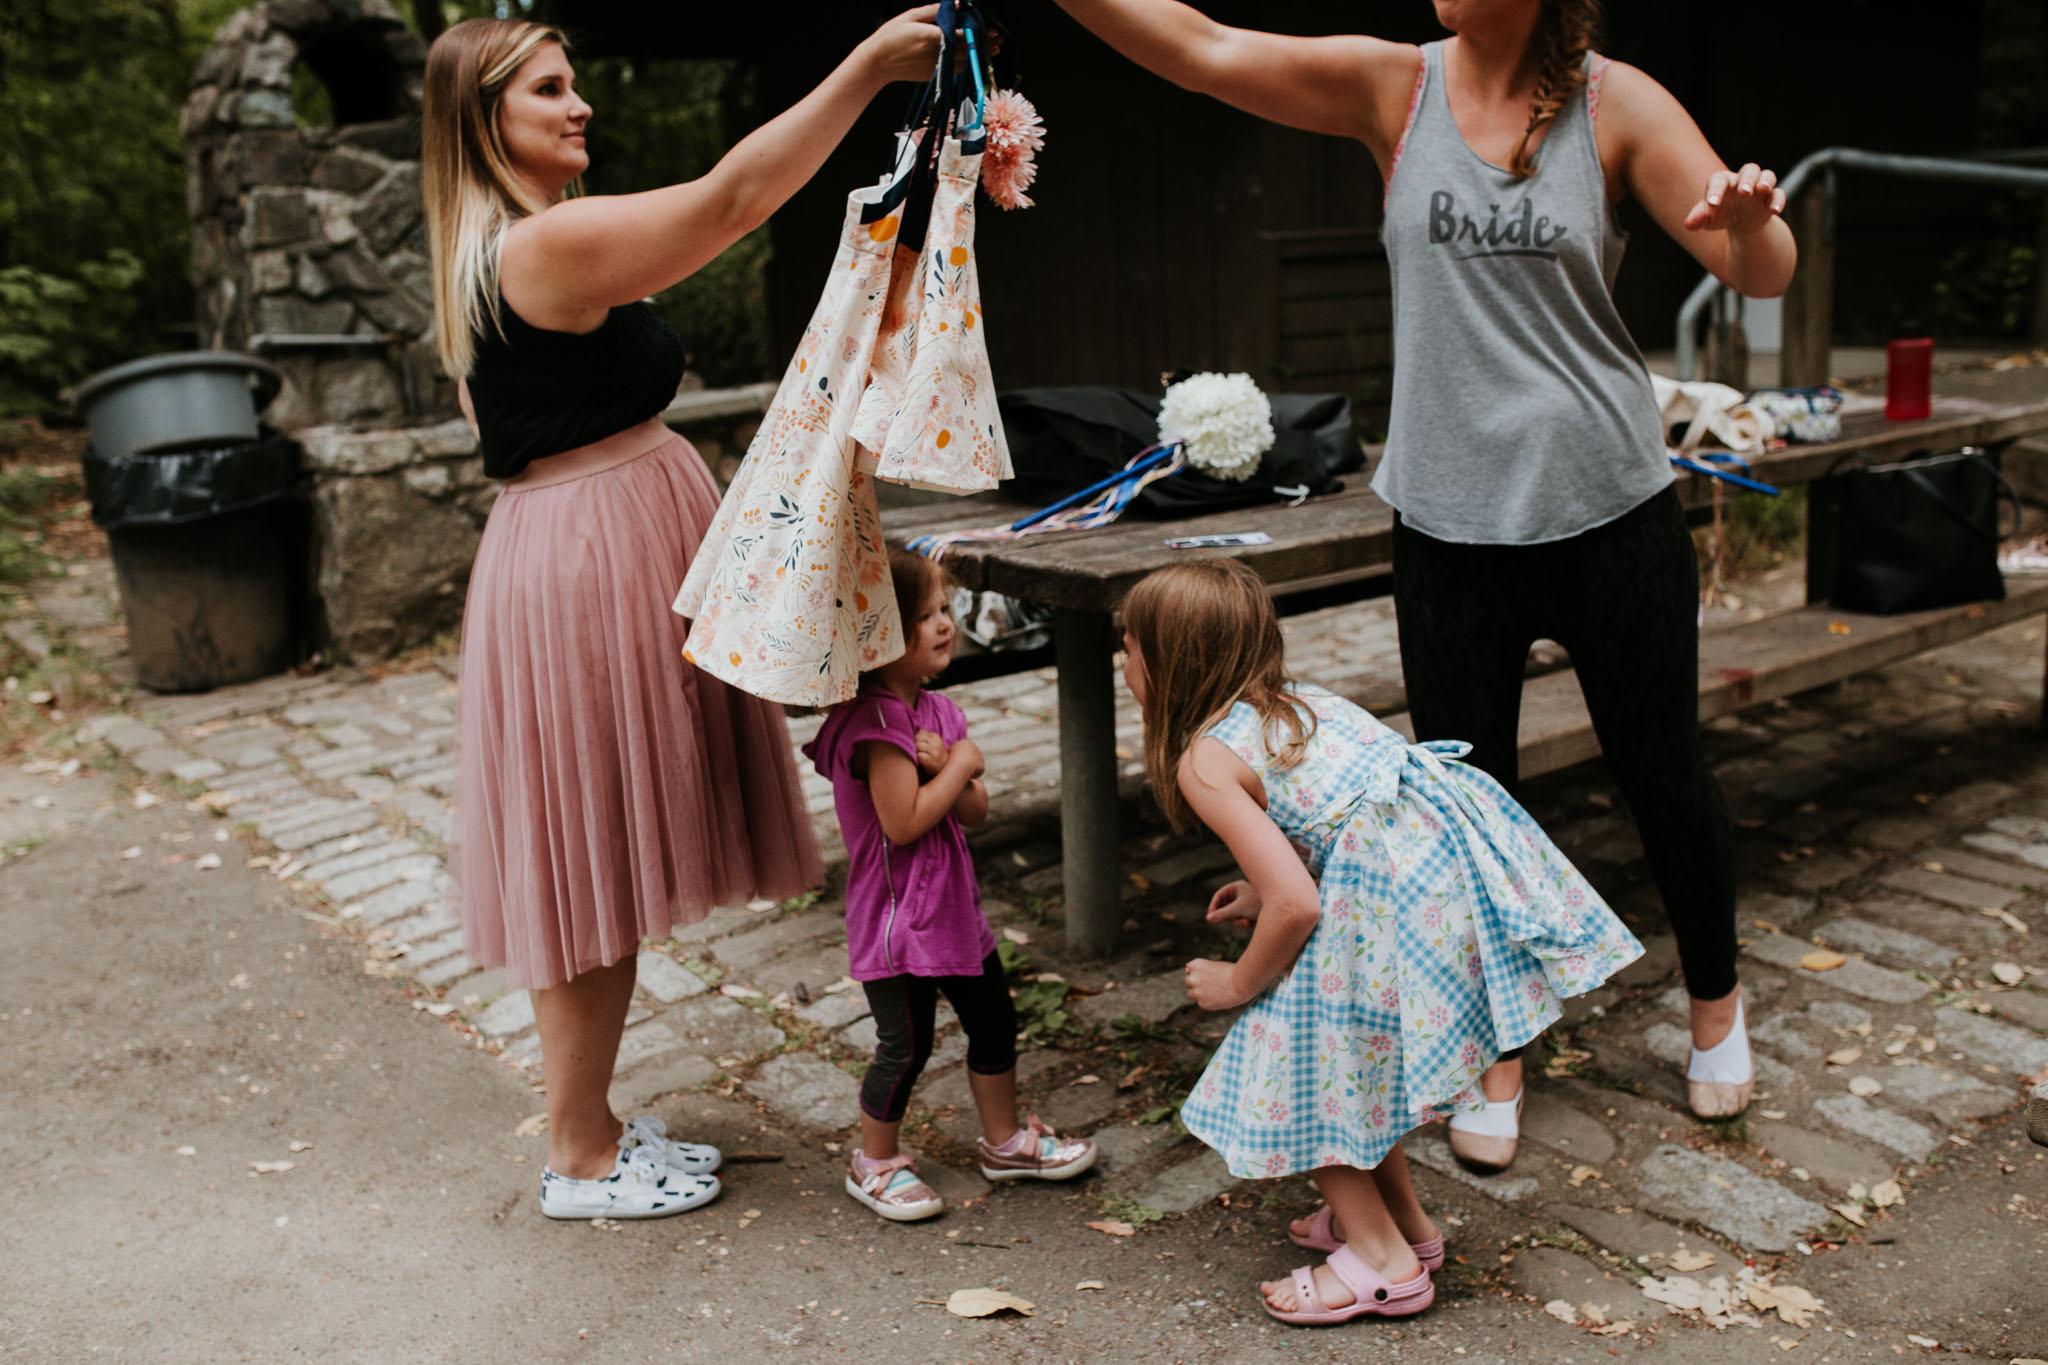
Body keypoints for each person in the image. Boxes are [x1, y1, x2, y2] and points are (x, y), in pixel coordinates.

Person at [1056, 0, 1795, 1171]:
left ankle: (1714, 1006)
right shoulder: (1389, 87)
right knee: (1461, 809)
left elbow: (1757, 271)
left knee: (1662, 776)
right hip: (1448, 521)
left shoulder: (1618, 102)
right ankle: (1495, 1055)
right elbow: (1200, 52)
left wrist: (1753, 228)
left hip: (1607, 505)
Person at [423, 11, 944, 1221]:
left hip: (590, 540)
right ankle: (578, 1153)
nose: (578, 106)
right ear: (482, 121)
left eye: (573, 83)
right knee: (588, 852)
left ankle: (590, 1119)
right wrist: (866, 69)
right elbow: (728, 203)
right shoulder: (538, 248)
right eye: (547, 90)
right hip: (588, 561)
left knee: (596, 840)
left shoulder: (489, 252)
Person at [1120, 558, 1641, 1323]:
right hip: (1433, 886)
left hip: (1390, 904)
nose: (1122, 662)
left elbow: (1298, 906)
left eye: (1127, 646)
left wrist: (1239, 982)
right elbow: (1332, 820)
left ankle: (1384, 1263)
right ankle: (1407, 1228)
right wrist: (1263, 887)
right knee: (1354, 1065)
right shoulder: (1297, 703)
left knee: (1298, 1061)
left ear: (1168, 664)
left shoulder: (1203, 758)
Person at [804, 550, 1098, 1220]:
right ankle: (874, 1161)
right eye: (921, 618)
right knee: (906, 1047)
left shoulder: (937, 711)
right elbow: (903, 823)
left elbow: (974, 811)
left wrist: (960, 768)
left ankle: (1003, 1142)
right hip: (897, 922)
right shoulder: (876, 726)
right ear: (878, 635)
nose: (943, 625)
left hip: (953, 912)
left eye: (943, 611)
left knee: (994, 1021)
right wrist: (961, 761)